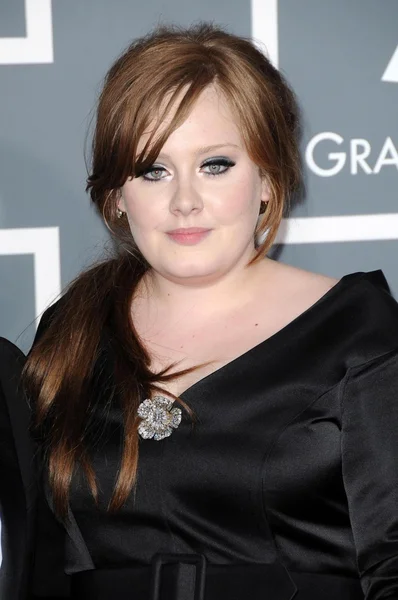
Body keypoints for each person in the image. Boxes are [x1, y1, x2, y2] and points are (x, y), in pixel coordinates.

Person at [1, 21, 398, 600]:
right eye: (152, 170)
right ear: (116, 195)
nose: (184, 200)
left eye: (215, 165)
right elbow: (40, 558)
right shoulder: (74, 331)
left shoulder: (359, 332)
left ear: (267, 178)